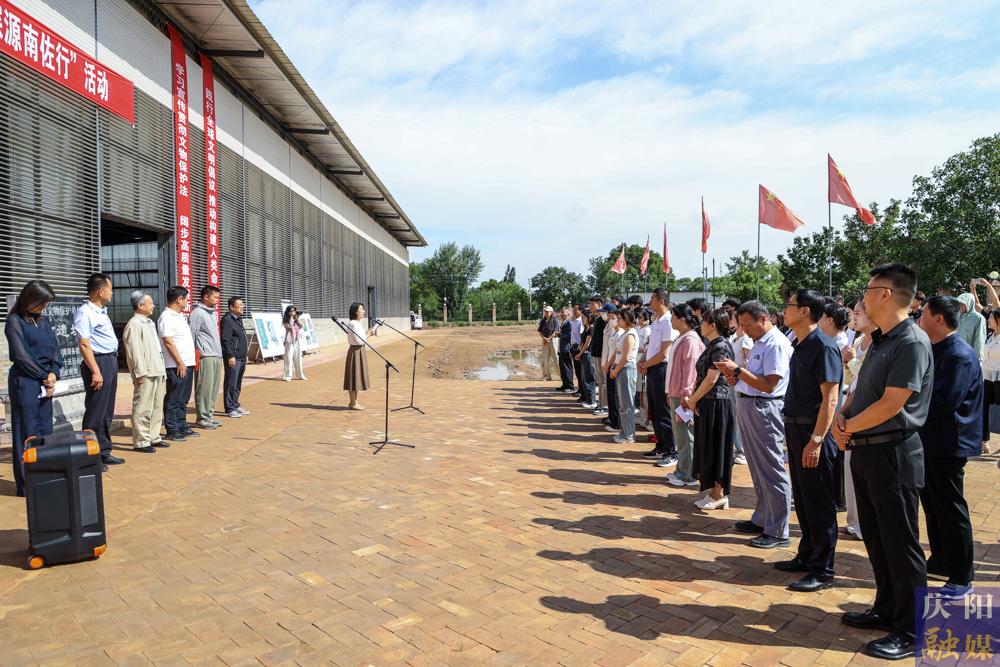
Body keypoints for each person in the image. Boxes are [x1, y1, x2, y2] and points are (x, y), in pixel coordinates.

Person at [832, 263, 933, 661]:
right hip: (867, 449)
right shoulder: (879, 340)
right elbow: (862, 392)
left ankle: (912, 630)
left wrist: (847, 427)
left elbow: (893, 403)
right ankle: (888, 608)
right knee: (876, 537)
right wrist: (844, 417)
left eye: (869, 290)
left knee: (901, 543)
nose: (864, 297)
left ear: (886, 295)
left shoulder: (912, 341)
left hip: (894, 452)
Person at [773, 289, 842, 593]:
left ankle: (823, 570)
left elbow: (830, 399)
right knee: (802, 498)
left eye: (789, 305)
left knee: (818, 502)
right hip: (796, 428)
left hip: (814, 432)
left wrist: (816, 440)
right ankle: (807, 554)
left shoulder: (824, 346)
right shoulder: (799, 343)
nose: (785, 309)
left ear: (804, 311)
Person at [917, 296, 981, 598]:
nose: (919, 319)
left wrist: (906, 402)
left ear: (939, 319)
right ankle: (942, 559)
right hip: (931, 440)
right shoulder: (936, 348)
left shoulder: (959, 354)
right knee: (933, 505)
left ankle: (962, 575)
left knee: (951, 508)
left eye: (923, 314)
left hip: (948, 443)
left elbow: (944, 401)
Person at [716, 300, 793, 549]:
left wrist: (738, 371)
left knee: (771, 469)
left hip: (765, 407)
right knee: (759, 469)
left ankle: (778, 529)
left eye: (748, 325)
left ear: (763, 318)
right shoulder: (761, 342)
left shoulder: (776, 343)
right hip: (751, 404)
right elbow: (755, 379)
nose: (746, 330)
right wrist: (737, 378)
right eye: (742, 325)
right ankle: (763, 518)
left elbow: (769, 384)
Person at [5, 280, 62, 494]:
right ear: (29, 299)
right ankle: (26, 484)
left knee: (44, 429)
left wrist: (54, 372)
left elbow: (55, 349)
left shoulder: (44, 321)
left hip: (45, 382)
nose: (44, 307)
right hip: (26, 382)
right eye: (42, 302)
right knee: (26, 430)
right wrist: (43, 376)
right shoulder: (14, 321)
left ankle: (44, 476)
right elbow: (21, 356)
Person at [687, 308, 736, 510]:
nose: (701, 326)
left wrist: (692, 400)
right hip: (708, 402)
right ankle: (714, 491)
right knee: (709, 446)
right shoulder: (713, 345)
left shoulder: (720, 346)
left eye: (704, 322)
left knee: (717, 447)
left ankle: (719, 494)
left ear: (713, 325)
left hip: (717, 403)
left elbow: (711, 379)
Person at [74, 273, 123, 467]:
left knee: (106, 411)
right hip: (98, 362)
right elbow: (84, 344)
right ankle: (89, 457)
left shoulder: (101, 312)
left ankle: (103, 450)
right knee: (95, 412)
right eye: (110, 289)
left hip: (109, 360)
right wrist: (95, 371)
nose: (112, 293)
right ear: (100, 291)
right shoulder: (85, 312)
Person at [840, 299, 876, 541]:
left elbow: (869, 377)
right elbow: (849, 378)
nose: (854, 316)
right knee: (850, 468)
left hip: (866, 410)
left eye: (858, 312)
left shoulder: (880, 343)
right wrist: (847, 362)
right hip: (851, 403)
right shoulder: (858, 340)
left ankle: (866, 523)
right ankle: (854, 520)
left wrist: (851, 360)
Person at [122, 290, 167, 454]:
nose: (153, 305)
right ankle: (141, 441)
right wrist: (139, 372)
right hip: (146, 372)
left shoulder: (149, 323)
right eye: (150, 303)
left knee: (156, 406)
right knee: (142, 407)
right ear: (140, 306)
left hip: (157, 369)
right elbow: (134, 351)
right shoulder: (134, 324)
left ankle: (153, 436)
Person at [666, 304, 705, 487]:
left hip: (683, 395)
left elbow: (691, 369)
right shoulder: (683, 338)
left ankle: (688, 474)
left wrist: (687, 394)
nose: (671, 320)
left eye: (673, 317)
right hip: (676, 392)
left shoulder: (690, 340)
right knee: (680, 435)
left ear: (682, 319)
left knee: (685, 434)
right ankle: (682, 469)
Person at [639, 289, 676, 467]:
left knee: (663, 411)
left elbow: (664, 353)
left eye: (653, 298)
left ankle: (671, 450)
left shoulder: (668, 321)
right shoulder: (656, 321)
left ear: (661, 301)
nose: (650, 301)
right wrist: (644, 362)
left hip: (661, 368)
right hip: (652, 368)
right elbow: (652, 349)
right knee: (654, 409)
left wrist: (646, 364)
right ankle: (661, 445)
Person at [159, 286, 198, 442]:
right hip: (175, 365)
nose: (187, 302)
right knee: (174, 398)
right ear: (179, 299)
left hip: (186, 363)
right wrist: (180, 362)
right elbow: (168, 342)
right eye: (186, 299)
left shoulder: (179, 316)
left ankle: (182, 425)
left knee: (183, 398)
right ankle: (172, 429)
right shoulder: (166, 317)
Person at [189, 285, 224, 429]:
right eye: (215, 297)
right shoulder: (197, 313)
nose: (217, 300)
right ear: (206, 297)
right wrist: (193, 356)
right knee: (204, 388)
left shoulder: (210, 313)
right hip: (205, 356)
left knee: (213, 389)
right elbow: (191, 335)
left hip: (215, 355)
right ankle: (202, 418)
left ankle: (209, 415)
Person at [609, 308, 639, 444]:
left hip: (626, 370)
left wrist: (615, 371)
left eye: (620, 318)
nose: (617, 321)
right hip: (621, 369)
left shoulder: (630, 335)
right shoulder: (625, 333)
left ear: (625, 320)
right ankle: (624, 431)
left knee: (627, 403)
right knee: (623, 403)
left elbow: (626, 357)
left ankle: (629, 435)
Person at [221, 296, 250, 419]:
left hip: (241, 356)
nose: (243, 307)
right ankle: (229, 408)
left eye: (243, 304)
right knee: (231, 383)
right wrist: (230, 355)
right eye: (240, 305)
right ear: (231, 307)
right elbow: (226, 340)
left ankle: (235, 404)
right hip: (233, 357)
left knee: (237, 383)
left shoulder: (238, 319)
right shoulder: (227, 320)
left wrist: (244, 354)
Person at [345, 302, 375, 409]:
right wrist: (369, 334)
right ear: (355, 312)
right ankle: (353, 402)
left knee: (356, 377)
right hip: (356, 351)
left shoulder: (356, 323)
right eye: (361, 309)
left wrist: (366, 333)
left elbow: (359, 338)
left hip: (358, 351)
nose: (364, 311)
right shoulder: (354, 324)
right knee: (354, 377)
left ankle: (354, 402)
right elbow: (359, 341)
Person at [981, 310, 1000, 452]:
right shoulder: (990, 335)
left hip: (999, 378)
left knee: (999, 411)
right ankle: (984, 441)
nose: (989, 320)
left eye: (992, 318)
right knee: (984, 408)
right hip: (987, 376)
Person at [602, 306, 622, 434]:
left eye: (615, 318)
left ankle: (616, 422)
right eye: (612, 317)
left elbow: (616, 353)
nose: (613, 320)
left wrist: (609, 365)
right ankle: (612, 418)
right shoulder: (614, 332)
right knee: (610, 394)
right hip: (609, 365)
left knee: (615, 395)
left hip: (614, 366)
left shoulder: (620, 333)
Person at [587, 298, 607, 414]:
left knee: (603, 380)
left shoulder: (603, 320)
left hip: (601, 353)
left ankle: (604, 406)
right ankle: (601, 404)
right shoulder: (598, 319)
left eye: (592, 304)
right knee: (600, 379)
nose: (590, 306)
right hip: (596, 353)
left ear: (599, 305)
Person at [574, 311, 596, 408]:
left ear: (589, 318)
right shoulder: (586, 329)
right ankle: (587, 399)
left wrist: (580, 353)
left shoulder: (591, 329)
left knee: (589, 378)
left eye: (584, 317)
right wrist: (579, 352)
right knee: (584, 378)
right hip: (584, 355)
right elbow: (583, 343)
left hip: (588, 355)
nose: (582, 319)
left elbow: (587, 343)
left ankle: (591, 401)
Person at [955, 292, 986, 360]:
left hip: (969, 358)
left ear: (970, 303)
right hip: (956, 356)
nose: (960, 306)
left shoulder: (978, 318)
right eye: (959, 304)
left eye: (962, 304)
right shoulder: (957, 317)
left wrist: (978, 360)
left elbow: (979, 340)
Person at [282, 305, 307, 381]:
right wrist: (292, 319)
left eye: (294, 310)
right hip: (289, 341)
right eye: (292, 311)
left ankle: (300, 375)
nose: (294, 312)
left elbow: (301, 326)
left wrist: (297, 320)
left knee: (298, 358)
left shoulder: (296, 319)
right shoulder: (286, 320)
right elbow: (289, 327)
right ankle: (288, 375)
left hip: (296, 340)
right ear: (289, 312)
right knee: (288, 359)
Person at [537, 305, 559, 382]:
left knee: (556, 358)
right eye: (545, 311)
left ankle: (562, 376)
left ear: (551, 312)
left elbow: (555, 332)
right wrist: (544, 339)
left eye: (547, 311)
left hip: (553, 340)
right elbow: (540, 331)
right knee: (545, 359)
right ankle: (546, 376)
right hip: (544, 341)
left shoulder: (555, 321)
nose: (546, 313)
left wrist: (548, 339)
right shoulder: (543, 321)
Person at [569, 304, 584, 397]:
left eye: (575, 309)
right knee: (577, 371)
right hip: (574, 348)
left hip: (579, 349)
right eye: (573, 309)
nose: (573, 311)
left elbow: (582, 336)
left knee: (580, 371)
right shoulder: (575, 321)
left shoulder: (581, 322)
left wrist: (580, 348)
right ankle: (580, 389)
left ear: (580, 311)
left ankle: (582, 390)